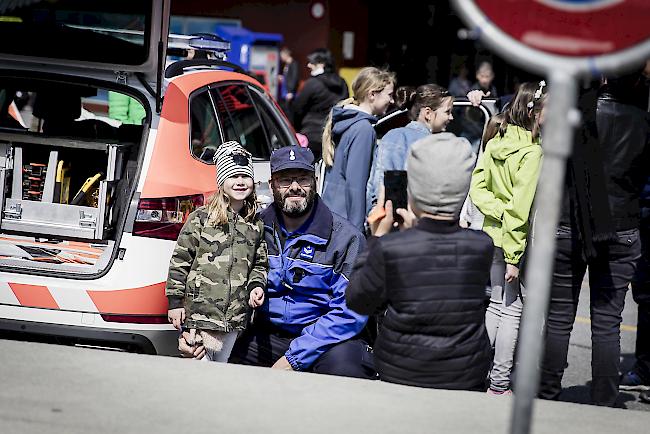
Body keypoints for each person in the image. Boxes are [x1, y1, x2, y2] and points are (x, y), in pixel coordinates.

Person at [178, 146, 376, 379]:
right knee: (209, 365)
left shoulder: (346, 239)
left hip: (326, 339)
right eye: (285, 180)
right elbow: (215, 280)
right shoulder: (250, 229)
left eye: (302, 178)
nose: (294, 187)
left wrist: (294, 358)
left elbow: (350, 312)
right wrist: (198, 332)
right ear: (271, 185)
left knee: (347, 370)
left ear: (315, 181)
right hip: (264, 334)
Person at [346, 134, 493, 390]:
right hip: (465, 372)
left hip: (403, 372)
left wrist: (377, 237)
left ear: (413, 189)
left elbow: (358, 299)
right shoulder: (482, 245)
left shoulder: (390, 248)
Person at [539, 68, 649, 406]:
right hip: (622, 225)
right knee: (607, 322)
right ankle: (604, 399)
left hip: (569, 221)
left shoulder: (578, 115)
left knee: (559, 317)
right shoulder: (642, 122)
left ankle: (546, 392)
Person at [469, 81, 546, 395]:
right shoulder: (532, 151)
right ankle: (500, 383)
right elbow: (520, 208)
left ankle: (479, 374)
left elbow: (477, 189)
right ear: (533, 111)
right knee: (512, 309)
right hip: (514, 241)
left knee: (495, 307)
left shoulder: (495, 140)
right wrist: (515, 256)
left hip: (491, 235)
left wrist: (497, 211)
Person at [166, 141, 269, 362]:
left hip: (234, 317)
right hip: (201, 313)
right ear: (221, 181)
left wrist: (256, 286)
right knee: (198, 363)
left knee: (218, 371)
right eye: (233, 176)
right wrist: (175, 303)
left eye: (245, 176)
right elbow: (180, 260)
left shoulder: (255, 224)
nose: (240, 182)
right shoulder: (201, 219)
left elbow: (259, 263)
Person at [320, 66, 396, 232]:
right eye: (389, 95)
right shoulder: (363, 129)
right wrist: (356, 232)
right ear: (372, 94)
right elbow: (356, 185)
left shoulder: (347, 122)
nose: (392, 101)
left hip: (332, 215)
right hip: (345, 223)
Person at [366, 84, 454, 213]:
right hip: (408, 218)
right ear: (428, 113)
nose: (451, 117)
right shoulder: (423, 142)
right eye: (447, 112)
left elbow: (378, 185)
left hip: (394, 217)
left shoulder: (394, 136)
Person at [292, 48, 349, 160]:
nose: (308, 65)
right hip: (334, 135)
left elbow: (297, 109)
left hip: (311, 136)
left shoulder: (312, 84)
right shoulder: (342, 83)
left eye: (312, 62)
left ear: (322, 64)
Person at [278, 46, 299, 121]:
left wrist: (291, 92)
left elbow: (295, 78)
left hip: (289, 93)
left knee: (289, 113)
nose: (281, 58)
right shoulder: (287, 65)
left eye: (281, 56)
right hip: (284, 92)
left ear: (285, 55)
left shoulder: (294, 64)